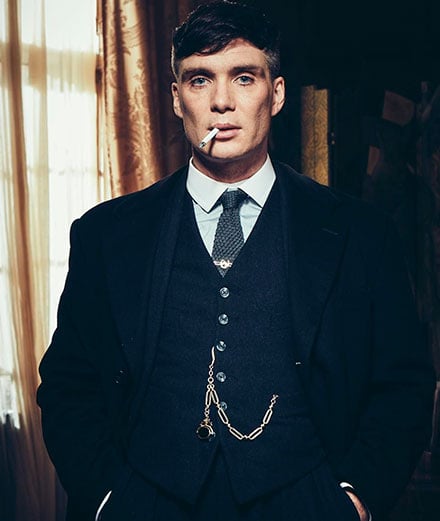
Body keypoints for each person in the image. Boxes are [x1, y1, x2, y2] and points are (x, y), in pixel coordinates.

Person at [37, 2, 434, 521]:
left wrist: (355, 500)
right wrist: (105, 500)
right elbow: (68, 386)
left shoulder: (363, 236)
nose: (221, 101)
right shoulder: (105, 235)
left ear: (277, 93)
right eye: (200, 79)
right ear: (176, 98)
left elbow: (403, 384)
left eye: (244, 77)